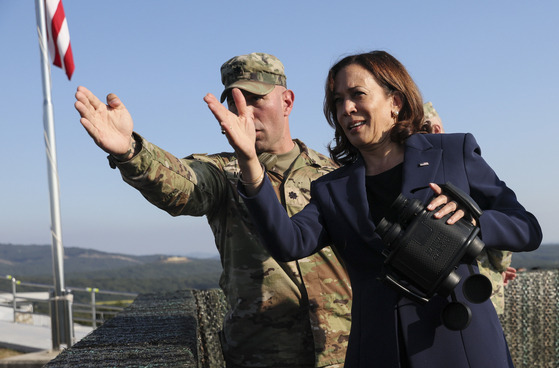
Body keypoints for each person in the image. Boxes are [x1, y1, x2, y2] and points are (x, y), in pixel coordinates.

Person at [206, 50, 543, 367]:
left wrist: (476, 223)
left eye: (357, 95)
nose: (346, 108)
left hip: (460, 342)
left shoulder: (453, 152)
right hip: (379, 349)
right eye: (338, 101)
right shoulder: (332, 188)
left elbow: (526, 228)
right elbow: (287, 242)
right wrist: (250, 162)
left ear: (395, 102)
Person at [74, 52, 352, 368]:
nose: (244, 112)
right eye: (235, 102)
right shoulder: (225, 173)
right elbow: (182, 183)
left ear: (287, 102)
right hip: (260, 357)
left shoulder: (333, 174)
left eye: (255, 99)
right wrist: (131, 152)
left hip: (344, 353)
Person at [423, 101, 517, 315]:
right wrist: (499, 269)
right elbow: (502, 248)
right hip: (480, 291)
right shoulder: (464, 171)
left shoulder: (419, 177)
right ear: (438, 129)